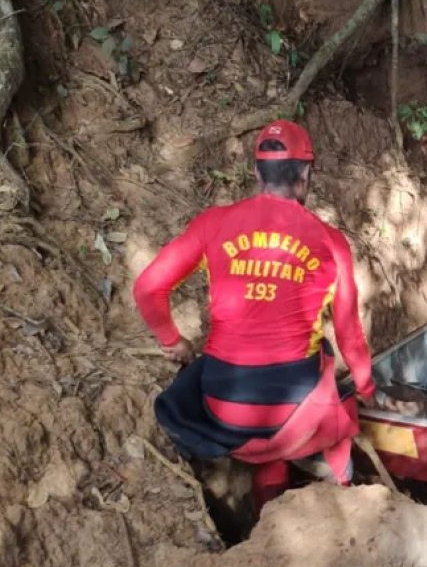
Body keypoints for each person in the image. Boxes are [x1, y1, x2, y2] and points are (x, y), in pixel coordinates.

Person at [133, 120, 377, 513]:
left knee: (215, 373)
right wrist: (365, 389)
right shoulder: (330, 242)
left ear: (256, 173)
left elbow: (147, 288)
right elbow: (350, 335)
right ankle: (342, 487)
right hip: (292, 408)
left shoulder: (214, 223)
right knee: (330, 376)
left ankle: (267, 504)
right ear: (306, 173)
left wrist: (172, 341)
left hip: (222, 408)